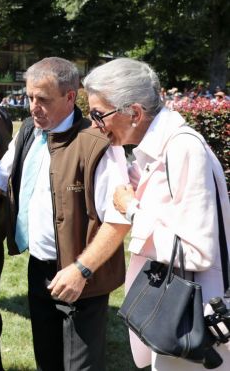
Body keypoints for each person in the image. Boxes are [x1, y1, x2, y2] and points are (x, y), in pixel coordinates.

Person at [0, 57, 131, 370]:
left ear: (70, 97)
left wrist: (81, 270)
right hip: (39, 270)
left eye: (43, 99)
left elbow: (118, 220)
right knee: (47, 362)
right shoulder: (29, 133)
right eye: (29, 97)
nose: (33, 107)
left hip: (84, 279)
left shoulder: (98, 143)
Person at [83, 57, 230, 371]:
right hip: (178, 316)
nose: (95, 124)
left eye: (98, 114)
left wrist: (133, 210)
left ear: (134, 113)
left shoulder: (182, 148)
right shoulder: (162, 148)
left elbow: (196, 251)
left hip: (194, 322)